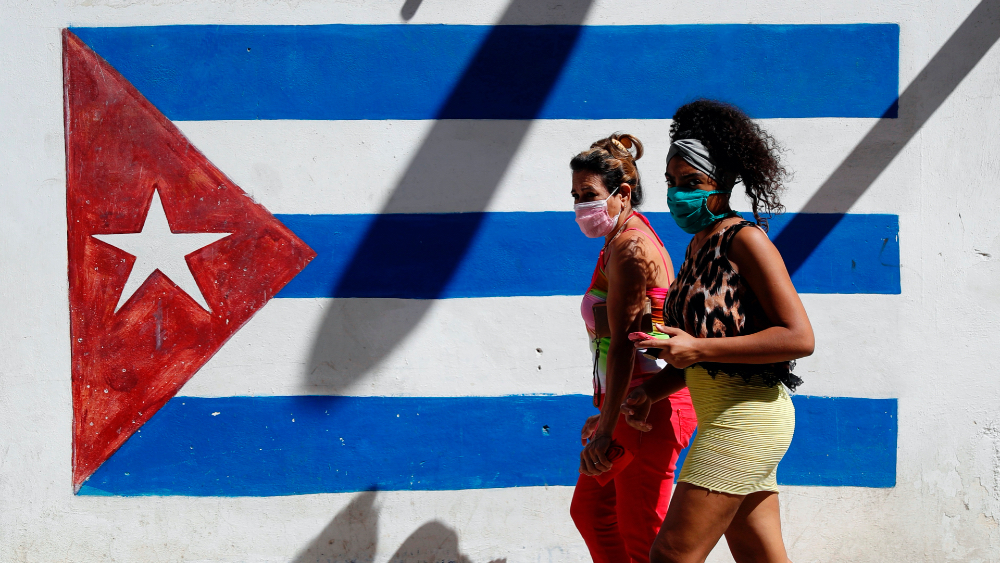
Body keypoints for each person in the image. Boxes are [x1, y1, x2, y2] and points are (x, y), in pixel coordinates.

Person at [621, 100, 815, 563]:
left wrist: (697, 347)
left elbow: (799, 337)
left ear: (721, 184)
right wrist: (652, 390)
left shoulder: (745, 239)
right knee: (759, 556)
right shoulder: (696, 246)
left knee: (671, 554)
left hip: (746, 418)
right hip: (724, 415)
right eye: (671, 183)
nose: (677, 194)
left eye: (691, 183)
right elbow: (701, 354)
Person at [569, 133, 698, 563]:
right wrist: (606, 411)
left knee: (642, 535)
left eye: (589, 195)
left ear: (622, 194)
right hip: (628, 403)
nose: (580, 206)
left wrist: (607, 429)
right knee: (593, 513)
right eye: (576, 196)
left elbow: (626, 345)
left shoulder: (630, 247)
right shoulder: (618, 241)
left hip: (649, 409)